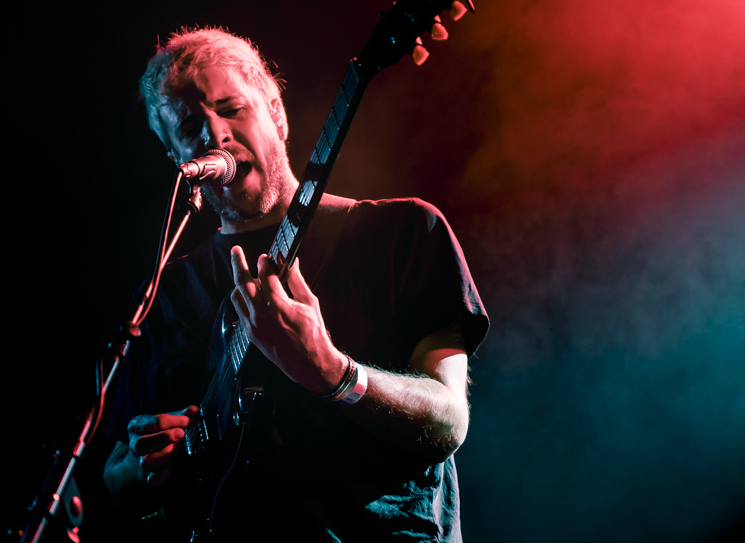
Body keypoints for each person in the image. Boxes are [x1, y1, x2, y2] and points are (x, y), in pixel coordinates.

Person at [103, 27, 488, 541]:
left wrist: (332, 371)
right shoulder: (164, 295)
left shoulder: (403, 231)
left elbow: (447, 422)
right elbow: (116, 475)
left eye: (231, 108)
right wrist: (143, 464)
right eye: (191, 125)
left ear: (277, 115)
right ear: (178, 159)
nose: (214, 134)